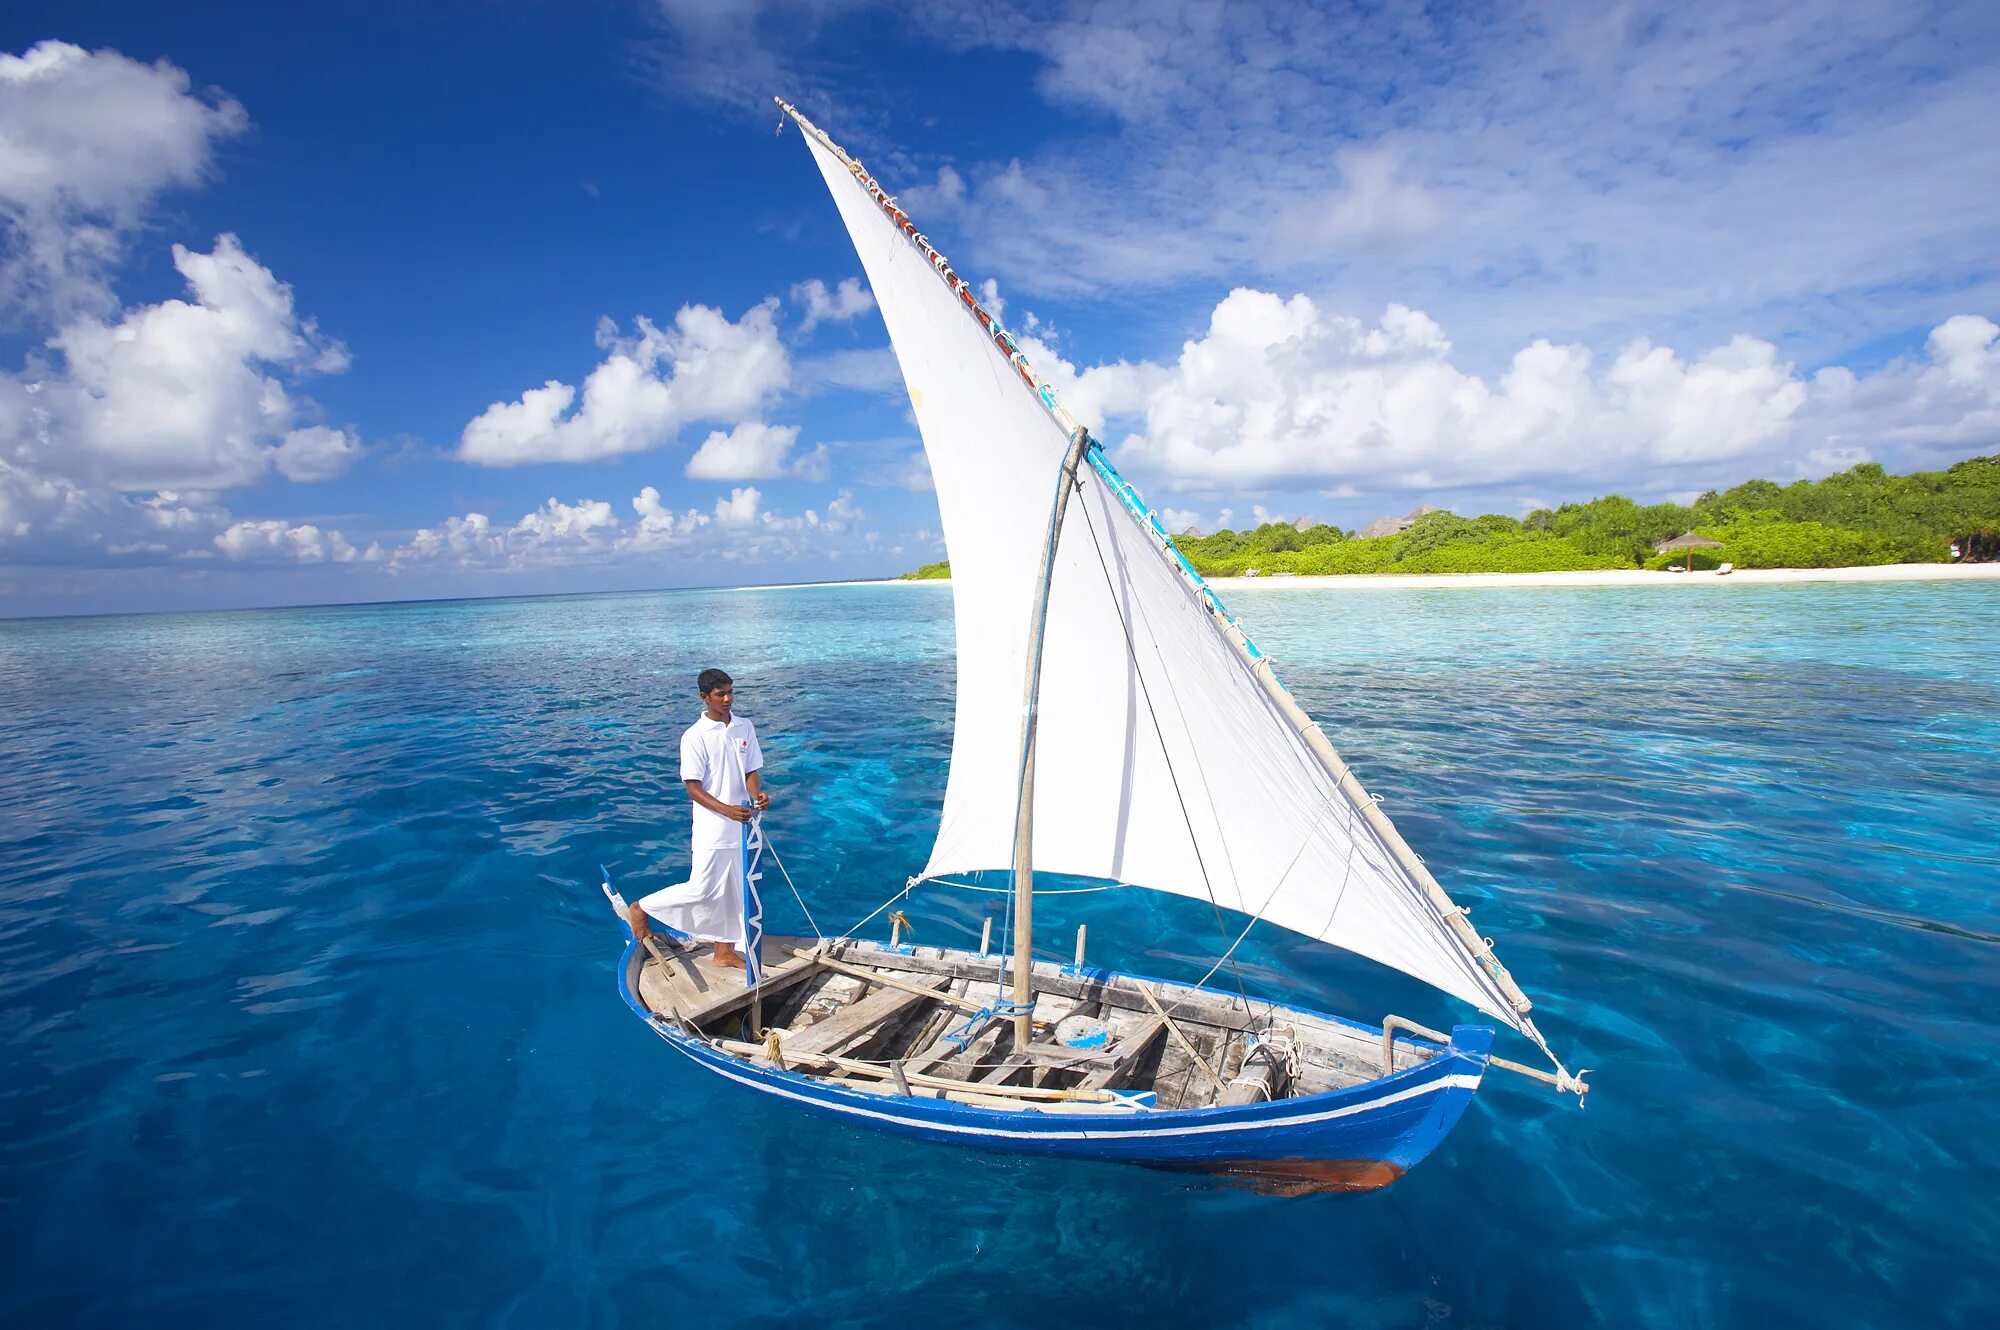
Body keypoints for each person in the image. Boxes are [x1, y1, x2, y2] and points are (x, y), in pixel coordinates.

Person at [628, 668, 771, 969]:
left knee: (735, 891)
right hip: (713, 828)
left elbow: (750, 770)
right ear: (704, 697)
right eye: (720, 694)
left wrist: (758, 795)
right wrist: (727, 810)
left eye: (731, 692)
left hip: (744, 826)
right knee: (702, 888)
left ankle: (724, 952)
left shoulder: (744, 727)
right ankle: (642, 907)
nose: (728, 698)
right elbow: (693, 788)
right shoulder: (694, 736)